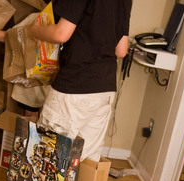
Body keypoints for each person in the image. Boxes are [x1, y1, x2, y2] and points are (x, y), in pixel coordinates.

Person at [29, 0, 133, 162]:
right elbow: (121, 50)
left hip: (74, 84)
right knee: (83, 164)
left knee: (45, 164)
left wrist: (36, 32)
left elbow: (61, 34)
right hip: (104, 89)